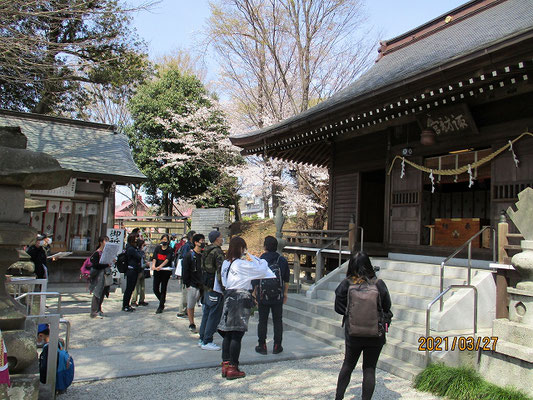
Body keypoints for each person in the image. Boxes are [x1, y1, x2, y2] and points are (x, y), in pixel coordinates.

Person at [214, 236, 275, 380]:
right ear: (240, 248)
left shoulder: (226, 263)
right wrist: (263, 260)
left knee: (228, 333)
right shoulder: (240, 264)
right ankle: (233, 368)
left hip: (228, 296)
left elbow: (223, 280)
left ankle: (226, 364)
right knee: (236, 333)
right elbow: (260, 270)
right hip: (239, 298)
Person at [334, 252, 392, 400]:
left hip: (353, 333)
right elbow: (387, 306)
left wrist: (351, 313)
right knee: (369, 369)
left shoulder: (347, 283)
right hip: (375, 333)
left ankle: (338, 398)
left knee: (348, 365)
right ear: (369, 265)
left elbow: (338, 307)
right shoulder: (378, 284)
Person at [253, 236, 290, 355]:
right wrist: (284, 293)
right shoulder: (281, 260)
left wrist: (255, 294)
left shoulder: (260, 260)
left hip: (263, 296)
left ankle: (262, 345)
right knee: (277, 320)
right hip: (277, 296)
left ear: (265, 246)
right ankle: (277, 346)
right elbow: (286, 279)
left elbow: (255, 279)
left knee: (262, 321)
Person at [198, 230, 225, 350]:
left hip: (206, 285)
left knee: (206, 313)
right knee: (214, 314)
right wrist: (223, 287)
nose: (222, 239)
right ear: (216, 239)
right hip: (215, 286)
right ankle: (208, 340)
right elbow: (220, 271)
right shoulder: (217, 252)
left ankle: (202, 337)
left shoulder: (206, 251)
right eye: (220, 237)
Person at [181, 233, 205, 331]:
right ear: (195, 242)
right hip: (192, 284)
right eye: (201, 241)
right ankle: (191, 323)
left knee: (204, 305)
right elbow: (185, 271)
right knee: (191, 304)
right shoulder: (189, 255)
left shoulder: (203, 255)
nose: (203, 243)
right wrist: (187, 283)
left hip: (203, 284)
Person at [88, 236, 113, 319]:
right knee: (97, 292)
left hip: (105, 275)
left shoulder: (105, 253)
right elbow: (95, 265)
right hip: (98, 276)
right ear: (101, 242)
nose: (107, 243)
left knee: (102, 292)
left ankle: (99, 309)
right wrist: (106, 265)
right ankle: (94, 311)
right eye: (106, 241)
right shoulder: (97, 253)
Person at [152, 234, 174, 314]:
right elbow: (154, 258)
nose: (164, 241)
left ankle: (161, 306)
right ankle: (162, 300)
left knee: (163, 288)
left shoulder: (170, 249)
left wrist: (160, 266)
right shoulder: (158, 248)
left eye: (166, 240)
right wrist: (154, 266)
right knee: (155, 289)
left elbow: (167, 259)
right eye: (163, 239)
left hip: (165, 271)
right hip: (157, 271)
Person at [177, 230, 196, 318]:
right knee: (185, 292)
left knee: (189, 293)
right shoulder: (187, 246)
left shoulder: (192, 246)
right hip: (186, 272)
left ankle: (187, 310)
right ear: (191, 237)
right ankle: (182, 311)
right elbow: (184, 260)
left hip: (191, 272)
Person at [122, 234, 143, 312]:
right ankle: (125, 305)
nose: (137, 239)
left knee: (131, 288)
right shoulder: (131, 249)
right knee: (129, 288)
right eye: (136, 238)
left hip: (134, 270)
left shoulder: (133, 248)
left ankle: (127, 304)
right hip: (131, 270)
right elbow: (139, 256)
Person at [131, 239, 149, 308]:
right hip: (139, 271)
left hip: (142, 271)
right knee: (137, 287)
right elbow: (141, 264)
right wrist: (146, 264)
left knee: (142, 287)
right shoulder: (139, 253)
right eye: (144, 245)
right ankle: (134, 300)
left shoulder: (141, 252)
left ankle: (141, 300)